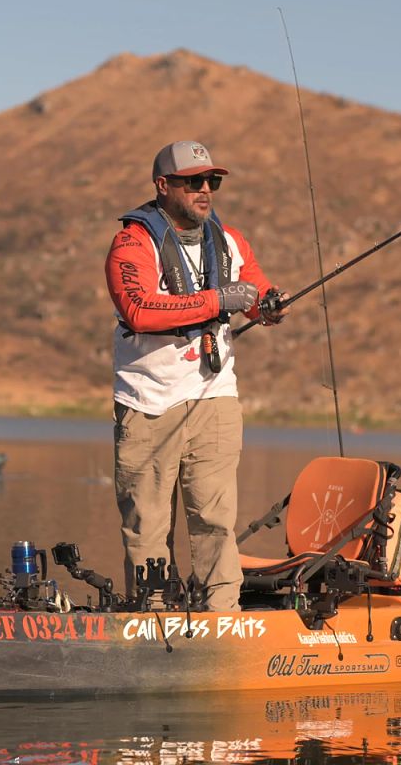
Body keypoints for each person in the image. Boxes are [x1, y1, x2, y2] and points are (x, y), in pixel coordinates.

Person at [104, 140, 289, 611]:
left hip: (215, 396)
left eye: (213, 181)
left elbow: (255, 289)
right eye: (193, 181)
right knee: (147, 525)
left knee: (214, 517)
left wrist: (267, 304)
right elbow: (139, 310)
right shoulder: (131, 242)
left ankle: (222, 616)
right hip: (148, 403)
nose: (206, 190)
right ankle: (155, 615)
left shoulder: (231, 240)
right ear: (163, 186)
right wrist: (218, 301)